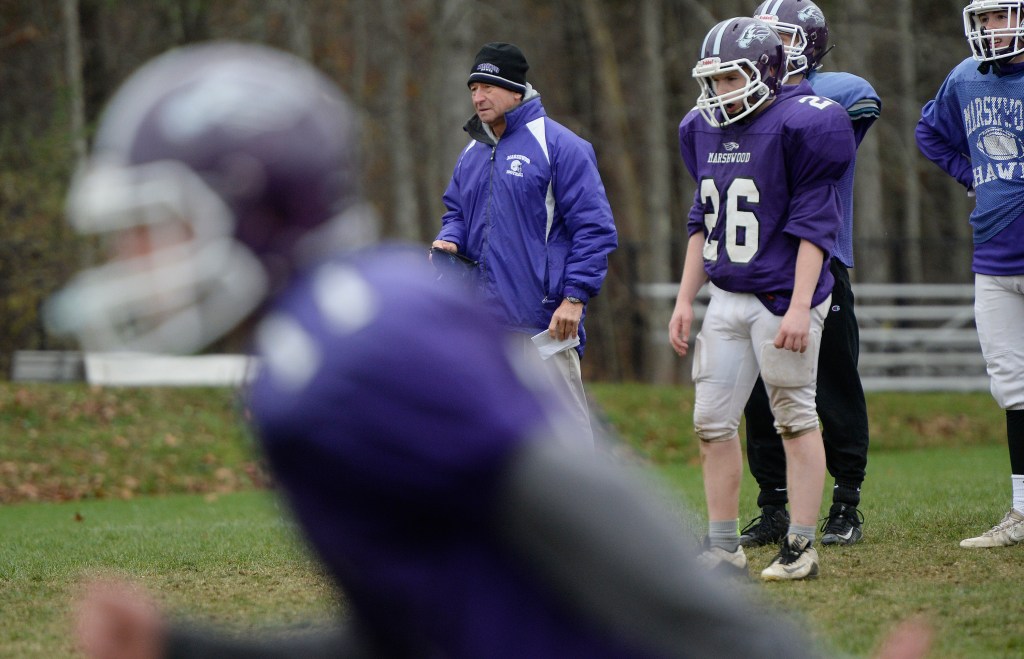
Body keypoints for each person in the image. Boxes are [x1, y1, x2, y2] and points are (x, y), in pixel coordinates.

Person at [50, 41, 832, 659]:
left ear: (254, 205)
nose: (134, 258)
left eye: (156, 226)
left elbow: (589, 508)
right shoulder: (304, 361)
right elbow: (419, 627)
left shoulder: (362, 346)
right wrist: (185, 647)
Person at [670, 16, 856, 581]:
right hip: (727, 294)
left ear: (769, 70)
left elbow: (813, 227)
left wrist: (801, 306)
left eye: (732, 78)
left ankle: (801, 546)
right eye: (715, 79)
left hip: (782, 295)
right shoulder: (700, 128)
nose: (721, 91)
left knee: (795, 417)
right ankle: (723, 545)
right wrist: (684, 299)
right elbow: (704, 219)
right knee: (711, 421)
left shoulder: (806, 123)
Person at [738, 0, 881, 550]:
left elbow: (863, 100)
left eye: (779, 35)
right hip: (758, 265)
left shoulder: (832, 91)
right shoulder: (747, 98)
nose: (767, 44)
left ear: (809, 43)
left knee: (834, 381)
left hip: (820, 257)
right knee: (757, 390)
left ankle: (847, 502)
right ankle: (772, 504)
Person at [432, 42, 618, 445]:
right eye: (473, 89)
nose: (478, 97)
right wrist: (449, 240)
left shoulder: (561, 146)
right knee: (491, 439)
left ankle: (583, 511)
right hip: (483, 322)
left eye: (488, 87)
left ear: (516, 90)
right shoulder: (472, 151)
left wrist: (575, 297)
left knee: (566, 437)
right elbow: (457, 214)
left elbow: (595, 228)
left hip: (543, 321)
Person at [916, 0, 1024, 548]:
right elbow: (929, 133)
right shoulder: (966, 77)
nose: (989, 28)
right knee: (1012, 386)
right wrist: (973, 174)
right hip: (994, 254)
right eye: (983, 19)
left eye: (1001, 16)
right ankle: (1023, 510)